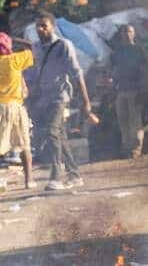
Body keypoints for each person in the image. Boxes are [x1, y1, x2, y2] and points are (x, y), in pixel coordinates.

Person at [25, 11, 95, 189]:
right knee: (59, 135)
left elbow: (76, 73)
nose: (41, 30)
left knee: (52, 132)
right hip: (43, 98)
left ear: (52, 27)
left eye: (44, 26)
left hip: (59, 97)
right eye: (38, 27)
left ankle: (56, 176)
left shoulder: (64, 45)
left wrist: (86, 102)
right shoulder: (36, 48)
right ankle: (75, 174)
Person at [0, 32, 34, 189]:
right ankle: (29, 181)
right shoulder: (15, 60)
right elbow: (32, 47)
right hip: (15, 107)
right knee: (24, 145)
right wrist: (13, 39)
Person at [109, 24, 147, 158]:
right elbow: (113, 71)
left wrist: (143, 89)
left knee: (135, 121)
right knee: (123, 121)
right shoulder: (117, 52)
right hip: (121, 91)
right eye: (124, 31)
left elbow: (144, 71)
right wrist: (112, 85)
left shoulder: (139, 50)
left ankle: (136, 150)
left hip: (135, 90)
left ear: (134, 34)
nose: (126, 34)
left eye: (129, 31)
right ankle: (126, 148)